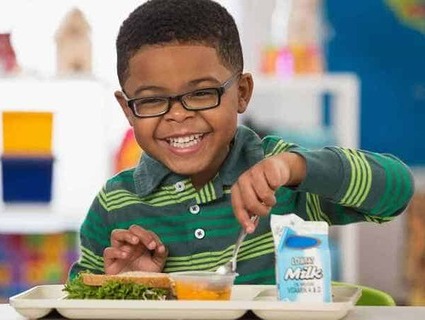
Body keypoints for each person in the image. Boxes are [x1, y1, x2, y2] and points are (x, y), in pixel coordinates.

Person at [68, 0, 414, 284]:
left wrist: (294, 167)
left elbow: (396, 191)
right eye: (152, 100)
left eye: (202, 93)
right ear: (128, 110)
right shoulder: (114, 206)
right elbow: (76, 302)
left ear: (242, 93)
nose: (178, 115)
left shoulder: (282, 177)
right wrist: (124, 289)